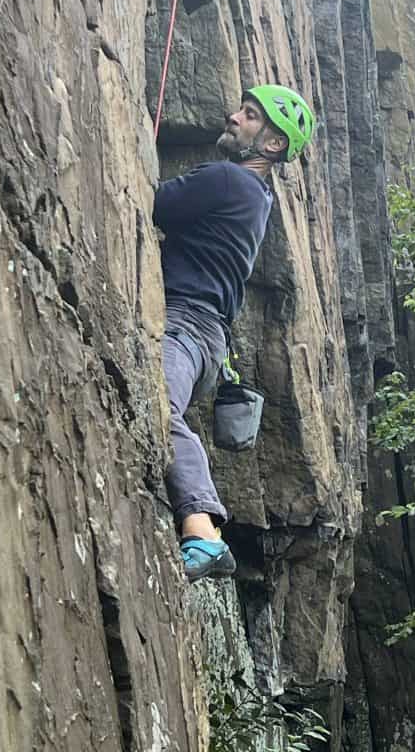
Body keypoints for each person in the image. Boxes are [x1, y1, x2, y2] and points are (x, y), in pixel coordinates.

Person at [153, 84, 314, 582]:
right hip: (206, 340)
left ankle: (203, 530)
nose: (232, 118)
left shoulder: (228, 180)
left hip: (183, 323)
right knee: (162, 405)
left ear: (271, 144)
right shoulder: (257, 199)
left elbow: (156, 202)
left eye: (248, 116)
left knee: (158, 403)